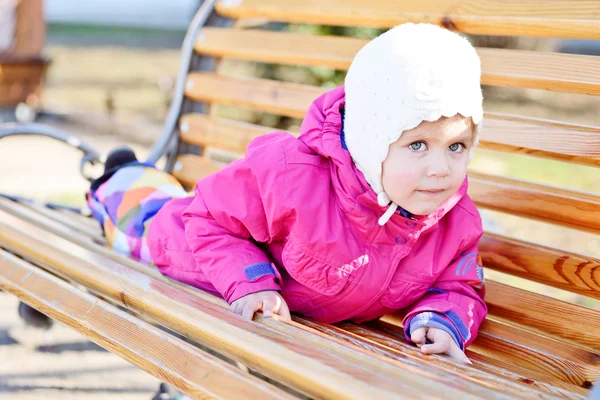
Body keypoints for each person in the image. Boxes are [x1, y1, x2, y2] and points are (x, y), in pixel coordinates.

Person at [87, 23, 487, 364]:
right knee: (139, 218)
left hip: (277, 284)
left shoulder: (454, 220)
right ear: (370, 142)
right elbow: (207, 217)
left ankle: (133, 175)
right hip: (183, 245)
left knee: (164, 199)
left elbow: (458, 285)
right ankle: (116, 178)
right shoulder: (291, 173)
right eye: (418, 145)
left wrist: (441, 319)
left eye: (456, 147)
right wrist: (253, 282)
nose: (441, 169)